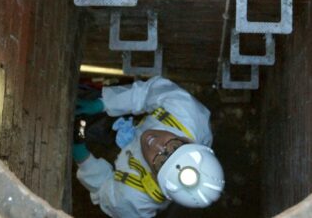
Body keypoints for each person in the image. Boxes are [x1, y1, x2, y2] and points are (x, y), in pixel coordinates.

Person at [73, 76, 225, 218]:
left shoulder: (133, 200)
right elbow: (146, 93)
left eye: (159, 163)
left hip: (123, 159)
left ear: (155, 178)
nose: (155, 144)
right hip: (138, 123)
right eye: (174, 146)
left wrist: (82, 156)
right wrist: (104, 103)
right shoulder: (186, 111)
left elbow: (103, 188)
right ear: (189, 141)